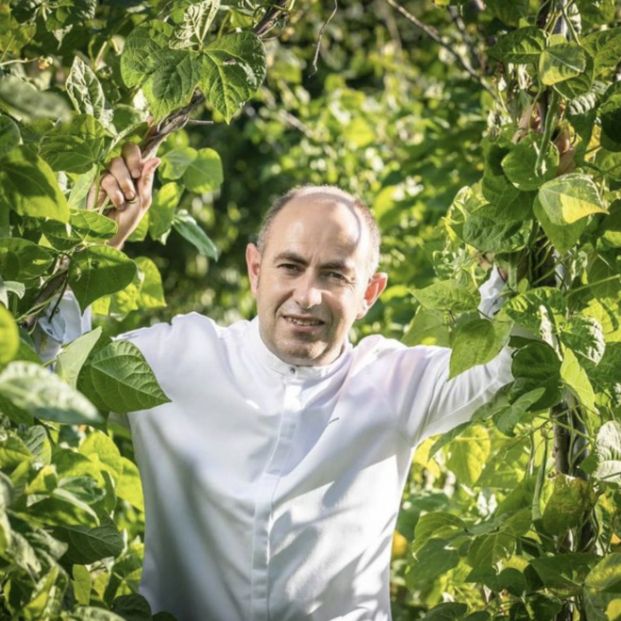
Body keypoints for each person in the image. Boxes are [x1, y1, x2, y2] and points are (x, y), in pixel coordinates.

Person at [46, 143, 512, 620]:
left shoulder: (396, 384)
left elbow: (507, 362)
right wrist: (98, 241)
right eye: (290, 267)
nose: (306, 296)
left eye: (334, 275)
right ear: (255, 269)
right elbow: (46, 375)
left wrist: (520, 203)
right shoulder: (178, 357)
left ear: (369, 292)